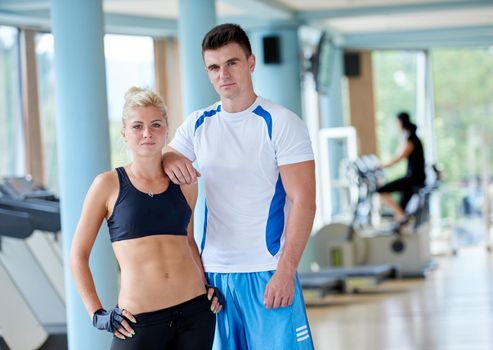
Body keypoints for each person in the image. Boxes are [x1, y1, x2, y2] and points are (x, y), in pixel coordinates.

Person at [162, 23, 316, 349]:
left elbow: (304, 201)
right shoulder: (197, 123)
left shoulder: (281, 122)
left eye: (232, 63)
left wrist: (286, 271)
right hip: (214, 275)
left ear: (250, 63)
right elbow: (163, 158)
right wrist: (168, 158)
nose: (223, 74)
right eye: (214, 67)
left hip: (267, 270)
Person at [70, 87, 222, 350]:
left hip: (196, 313)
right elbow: (78, 254)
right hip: (138, 321)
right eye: (137, 126)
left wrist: (207, 284)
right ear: (124, 133)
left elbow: (188, 241)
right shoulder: (107, 185)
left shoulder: (184, 182)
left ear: (166, 129)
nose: (147, 133)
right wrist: (97, 314)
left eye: (155, 125)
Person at [377, 111, 426, 222]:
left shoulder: (411, 139)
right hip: (414, 177)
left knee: (381, 191)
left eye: (397, 122)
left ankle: (403, 217)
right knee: (400, 207)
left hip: (415, 178)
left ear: (401, 122)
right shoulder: (409, 137)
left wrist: (383, 165)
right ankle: (402, 217)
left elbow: (400, 157)